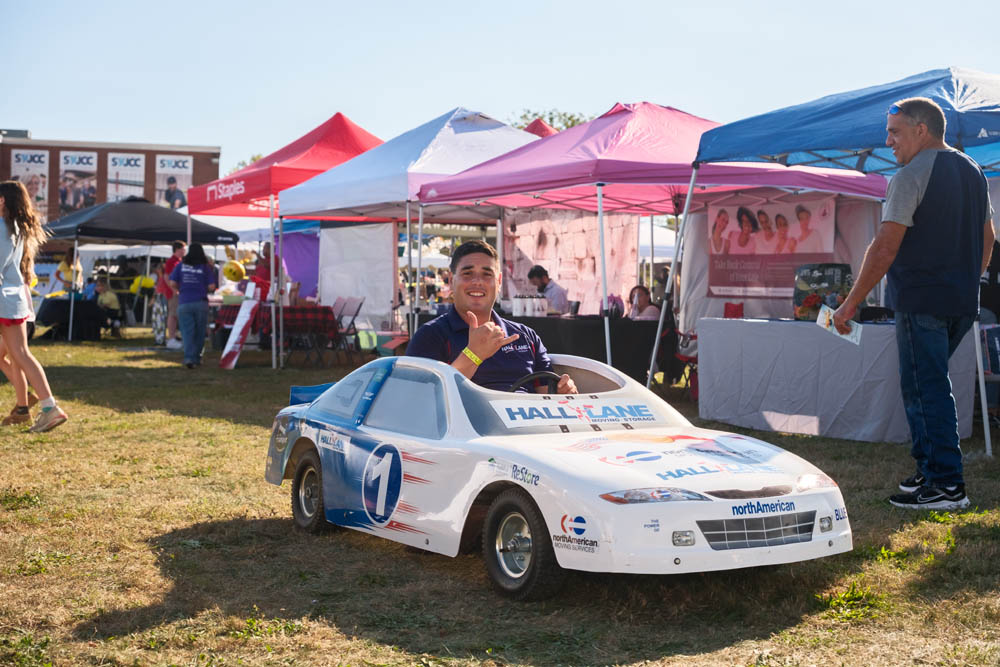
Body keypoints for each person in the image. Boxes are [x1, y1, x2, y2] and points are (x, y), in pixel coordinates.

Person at [832, 97, 994, 510]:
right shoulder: (973, 170)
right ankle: (930, 469)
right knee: (925, 386)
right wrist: (966, 280)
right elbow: (989, 237)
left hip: (923, 299)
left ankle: (947, 485)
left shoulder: (910, 175)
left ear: (921, 130)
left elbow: (885, 246)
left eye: (895, 132)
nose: (888, 142)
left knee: (927, 390)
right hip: (960, 302)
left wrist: (850, 304)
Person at [408, 240, 578, 394]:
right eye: (467, 273)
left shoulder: (526, 336)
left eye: (487, 274)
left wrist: (563, 391)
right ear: (452, 280)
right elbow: (419, 398)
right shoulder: (430, 335)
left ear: (499, 281)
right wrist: (473, 354)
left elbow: (547, 392)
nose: (477, 281)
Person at [0, 180, 68, 432]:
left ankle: (34, 406)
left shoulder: (2, 228)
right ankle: (49, 407)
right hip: (12, 300)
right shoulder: (16, 228)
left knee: (20, 355)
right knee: (22, 354)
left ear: (2, 201)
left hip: (4, 299)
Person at [168, 242, 217, 369]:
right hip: (201, 302)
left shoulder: (181, 265)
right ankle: (197, 357)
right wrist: (202, 287)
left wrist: (180, 289)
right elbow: (212, 286)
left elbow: (172, 282)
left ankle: (189, 358)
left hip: (184, 302)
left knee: (187, 332)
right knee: (200, 332)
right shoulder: (205, 267)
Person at [157, 241, 185, 349]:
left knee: (176, 315)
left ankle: (175, 337)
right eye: (183, 249)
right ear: (177, 249)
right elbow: (166, 276)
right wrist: (173, 289)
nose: (184, 251)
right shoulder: (171, 261)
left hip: (177, 291)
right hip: (173, 293)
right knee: (173, 315)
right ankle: (171, 339)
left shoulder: (179, 261)